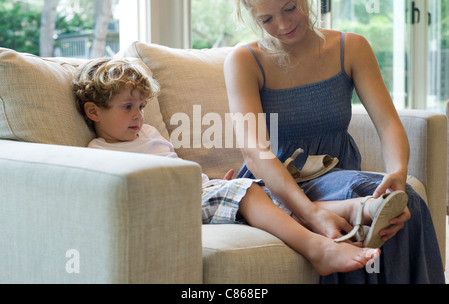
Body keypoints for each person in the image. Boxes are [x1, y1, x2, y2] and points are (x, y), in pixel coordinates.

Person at [72, 57, 415, 277]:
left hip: (197, 191)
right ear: (93, 112)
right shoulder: (100, 153)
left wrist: (217, 182)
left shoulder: (146, 133)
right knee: (251, 193)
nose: (137, 115)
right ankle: (319, 249)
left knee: (271, 200)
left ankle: (361, 208)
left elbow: (176, 168)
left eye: (142, 106)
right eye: (127, 106)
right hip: (173, 206)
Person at [224, 0, 445, 283]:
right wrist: (311, 214)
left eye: (290, 8)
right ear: (252, 17)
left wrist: (398, 174)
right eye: (267, 19)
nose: (284, 25)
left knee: (409, 201)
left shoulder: (351, 48)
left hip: (337, 174)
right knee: (364, 198)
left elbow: (388, 123)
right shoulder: (245, 61)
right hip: (277, 185)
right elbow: (255, 152)